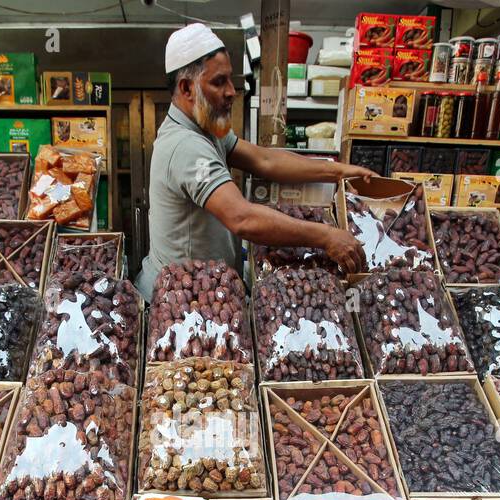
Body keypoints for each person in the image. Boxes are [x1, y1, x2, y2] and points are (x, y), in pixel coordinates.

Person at [137, 23, 373, 298]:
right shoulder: (185, 146)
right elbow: (243, 218)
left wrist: (338, 172)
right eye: (218, 82)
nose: (231, 92)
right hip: (180, 298)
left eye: (229, 79)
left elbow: (264, 160)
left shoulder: (207, 130)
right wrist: (326, 237)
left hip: (207, 287)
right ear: (187, 88)